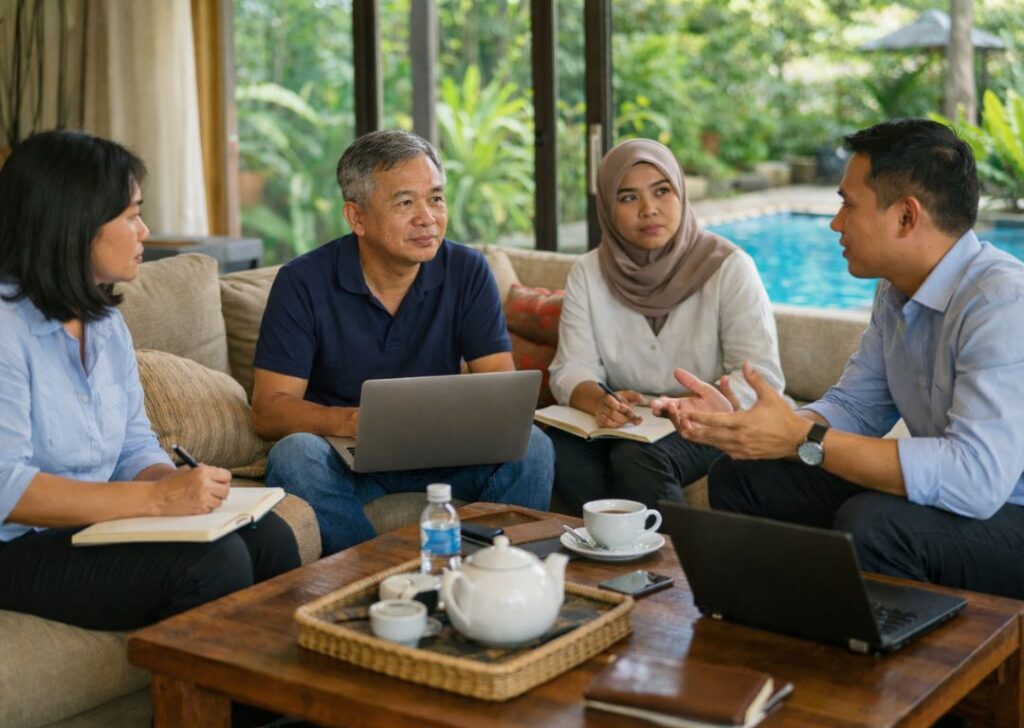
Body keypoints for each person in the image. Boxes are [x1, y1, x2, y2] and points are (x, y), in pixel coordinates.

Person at [655, 119, 1024, 599]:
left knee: (874, 525)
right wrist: (757, 425)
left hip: (1008, 509)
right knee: (744, 476)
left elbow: (975, 477)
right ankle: (773, 620)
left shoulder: (1001, 302)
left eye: (848, 205)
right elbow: (855, 407)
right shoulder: (895, 292)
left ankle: (885, 647)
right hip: (967, 497)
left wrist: (801, 437)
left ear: (906, 216)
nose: (836, 222)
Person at [0, 130, 300, 631]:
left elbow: (132, 445)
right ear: (74, 225)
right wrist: (156, 501)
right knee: (213, 563)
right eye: (131, 215)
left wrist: (174, 483)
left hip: (91, 525)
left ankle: (273, 685)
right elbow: (7, 487)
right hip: (16, 546)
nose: (144, 231)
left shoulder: (105, 324)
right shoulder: (7, 328)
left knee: (270, 537)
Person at [254, 130, 554, 556]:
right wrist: (351, 421)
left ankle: (489, 573)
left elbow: (502, 396)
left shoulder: (468, 270)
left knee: (533, 444)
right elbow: (269, 410)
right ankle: (376, 575)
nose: (427, 218)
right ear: (356, 217)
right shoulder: (302, 282)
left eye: (436, 198)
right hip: (349, 460)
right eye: (405, 203)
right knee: (293, 455)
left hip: (449, 453)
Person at [548, 138, 785, 513]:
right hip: (629, 423)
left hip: (710, 420)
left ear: (681, 193)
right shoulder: (588, 273)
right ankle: (602, 550)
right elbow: (572, 367)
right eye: (628, 198)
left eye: (662, 191)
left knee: (636, 456)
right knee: (558, 450)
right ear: (607, 208)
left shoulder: (728, 267)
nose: (649, 209)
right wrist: (600, 403)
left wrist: (692, 405)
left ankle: (675, 554)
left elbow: (760, 376)